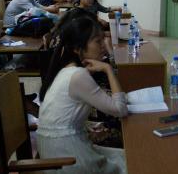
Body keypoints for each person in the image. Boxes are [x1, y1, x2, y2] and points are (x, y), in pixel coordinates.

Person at [37, 13, 127, 174]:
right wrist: (108, 69)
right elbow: (120, 110)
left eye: (103, 39)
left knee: (125, 156)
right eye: (97, 41)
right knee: (131, 162)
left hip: (55, 147)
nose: (103, 45)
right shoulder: (78, 75)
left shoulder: (67, 69)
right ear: (77, 48)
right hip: (65, 155)